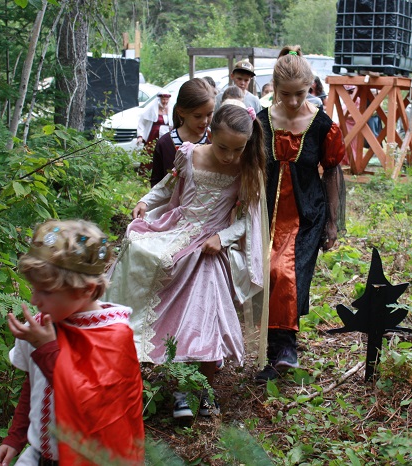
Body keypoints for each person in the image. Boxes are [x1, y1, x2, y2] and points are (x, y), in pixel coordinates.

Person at [106, 103, 269, 419]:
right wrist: (144, 201)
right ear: (210, 133)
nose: (229, 156)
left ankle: (197, 391)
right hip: (177, 231)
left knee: (204, 316)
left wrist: (222, 237)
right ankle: (128, 369)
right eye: (223, 147)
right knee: (140, 257)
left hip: (209, 248)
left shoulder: (247, 170)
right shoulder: (190, 154)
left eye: (237, 149)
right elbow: (166, 187)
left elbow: (247, 221)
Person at [0, 220, 144, 466]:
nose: (34, 300)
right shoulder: (42, 326)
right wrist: (14, 438)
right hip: (39, 454)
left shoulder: (114, 335)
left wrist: (47, 350)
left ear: (86, 290)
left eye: (46, 291)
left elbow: (92, 406)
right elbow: (33, 384)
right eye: (34, 288)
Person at [255, 45, 346, 383]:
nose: (293, 101)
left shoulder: (322, 126)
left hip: (307, 213)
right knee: (265, 275)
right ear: (275, 89)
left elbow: (332, 171)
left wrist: (332, 222)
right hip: (264, 213)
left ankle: (285, 348)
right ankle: (271, 350)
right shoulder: (261, 122)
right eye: (286, 94)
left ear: (310, 88)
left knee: (285, 272)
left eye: (301, 93)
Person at [149, 78, 215, 186]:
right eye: (197, 116)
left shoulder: (214, 141)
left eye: (209, 114)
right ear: (181, 112)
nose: (205, 121)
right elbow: (156, 182)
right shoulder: (165, 144)